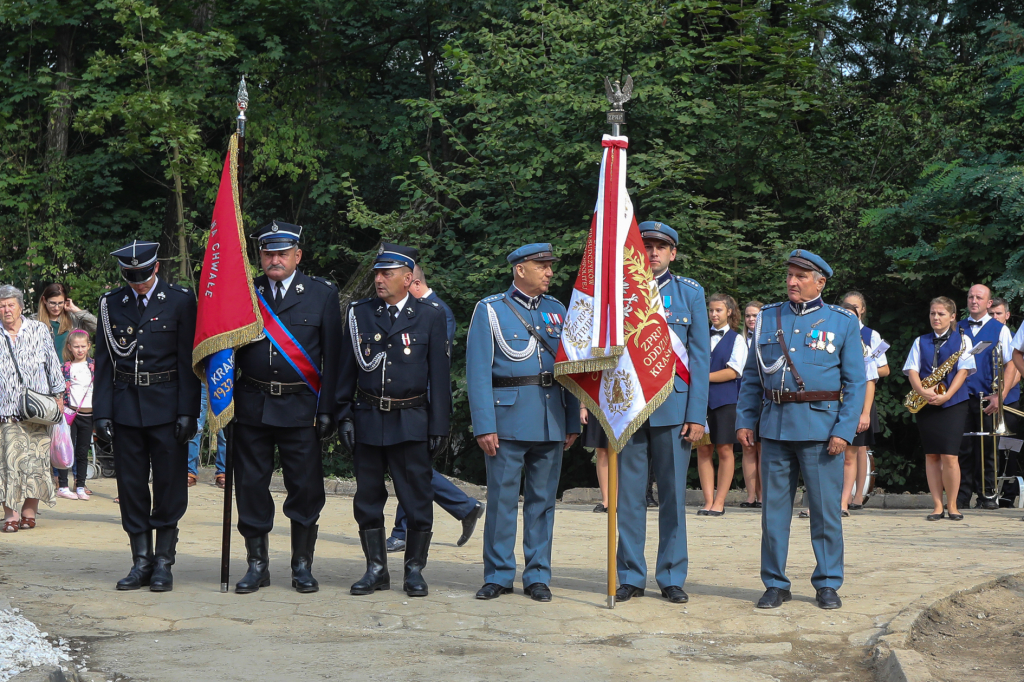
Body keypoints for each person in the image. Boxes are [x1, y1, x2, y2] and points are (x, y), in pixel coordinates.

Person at [737, 249, 866, 611]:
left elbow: (855, 382)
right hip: (775, 427)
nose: (792, 282)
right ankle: (775, 583)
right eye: (790, 275)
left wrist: (843, 430)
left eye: (801, 276)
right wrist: (746, 420)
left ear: (820, 282)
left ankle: (827, 582)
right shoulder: (769, 316)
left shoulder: (842, 321)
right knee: (773, 512)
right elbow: (751, 377)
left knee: (825, 512)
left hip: (822, 430)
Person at [466, 243, 580, 602]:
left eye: (549, 265)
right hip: (507, 419)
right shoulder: (491, 310)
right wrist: (484, 424)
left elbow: (570, 368)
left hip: (550, 419)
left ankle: (537, 576)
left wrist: (572, 419)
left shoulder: (557, 311)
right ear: (520, 269)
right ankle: (499, 574)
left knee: (543, 502)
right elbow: (478, 372)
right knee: (501, 500)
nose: (550, 272)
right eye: (542, 265)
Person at [232, 222, 341, 595]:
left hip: (300, 406)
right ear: (260, 256)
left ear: (297, 255)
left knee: (306, 488)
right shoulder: (245, 293)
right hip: (252, 405)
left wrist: (328, 410)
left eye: (281, 253)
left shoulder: (321, 294)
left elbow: (334, 358)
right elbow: (225, 353)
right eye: (267, 253)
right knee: (250, 487)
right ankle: (257, 564)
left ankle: (301, 565)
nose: (274, 260)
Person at [339, 243, 451, 597]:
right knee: (368, 499)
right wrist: (343, 414)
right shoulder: (360, 314)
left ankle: (414, 570)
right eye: (376, 273)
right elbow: (345, 370)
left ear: (407, 278)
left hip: (411, 419)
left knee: (417, 499)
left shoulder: (429, 316)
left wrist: (439, 426)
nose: (379, 279)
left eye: (387, 273)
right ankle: (376, 569)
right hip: (369, 417)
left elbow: (440, 377)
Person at [94, 241, 200, 591]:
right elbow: (106, 363)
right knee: (132, 485)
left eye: (142, 275)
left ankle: (164, 563)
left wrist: (189, 410)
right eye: (130, 276)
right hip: (125, 405)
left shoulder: (181, 300)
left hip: (168, 405)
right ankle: (141, 561)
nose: (137, 282)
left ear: (155, 268)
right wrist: (101, 413)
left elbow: (189, 360)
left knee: (170, 485)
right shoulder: (111, 304)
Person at [614, 222, 709, 605]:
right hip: (629, 406)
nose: (652, 253)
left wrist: (697, 414)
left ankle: (671, 575)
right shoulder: (617, 292)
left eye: (661, 247)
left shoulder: (690, 293)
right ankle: (631, 576)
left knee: (672, 496)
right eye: (646, 246)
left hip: (675, 406)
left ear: (673, 253)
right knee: (630, 498)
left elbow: (700, 357)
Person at [385, 264, 483, 554]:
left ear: (412, 283)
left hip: (423, 404)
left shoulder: (436, 311)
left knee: (411, 466)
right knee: (409, 466)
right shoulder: (417, 309)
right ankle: (462, 508)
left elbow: (432, 365)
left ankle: (408, 529)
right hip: (406, 405)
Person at [0, 285, 65, 532]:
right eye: (2, 306)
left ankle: (29, 513)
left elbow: (52, 364)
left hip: (38, 409)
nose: (6, 310)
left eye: (10, 305)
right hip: (6, 411)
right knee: (9, 465)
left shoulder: (38, 329)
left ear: (20, 306)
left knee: (35, 464)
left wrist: (59, 395)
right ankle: (11, 516)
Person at [904, 297, 975, 521]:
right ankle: (937, 505)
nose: (936, 317)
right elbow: (912, 370)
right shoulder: (920, 341)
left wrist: (947, 395)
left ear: (953, 317)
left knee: (950, 455)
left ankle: (952, 505)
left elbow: (963, 372)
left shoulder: (964, 341)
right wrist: (922, 392)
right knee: (932, 454)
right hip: (926, 402)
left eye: (941, 314)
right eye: (933, 313)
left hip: (953, 403)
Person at [956, 284, 1016, 510]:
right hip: (961, 397)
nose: (974, 301)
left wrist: (999, 396)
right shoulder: (957, 327)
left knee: (988, 449)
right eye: (970, 296)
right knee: (962, 448)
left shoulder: (1000, 329)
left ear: (989, 303)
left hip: (988, 398)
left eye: (979, 298)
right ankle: (960, 496)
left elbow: (1011, 364)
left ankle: (988, 495)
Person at [696, 293, 746, 516]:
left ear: (729, 312)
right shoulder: (699, 336)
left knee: (725, 449)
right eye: (711, 310)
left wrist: (701, 377)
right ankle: (708, 500)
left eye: (718, 310)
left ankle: (720, 501)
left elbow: (734, 371)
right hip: (699, 401)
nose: (714, 314)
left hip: (725, 401)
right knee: (703, 449)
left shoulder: (737, 339)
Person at [839, 292, 889, 513]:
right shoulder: (832, 334)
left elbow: (883, 369)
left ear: (863, 310)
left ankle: (856, 496)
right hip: (836, 399)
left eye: (856, 307)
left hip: (860, 398)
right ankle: (835, 499)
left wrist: (861, 370)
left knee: (857, 449)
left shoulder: (870, 336)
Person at [57, 330, 95, 501]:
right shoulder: (66, 367)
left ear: (88, 346)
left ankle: (80, 485)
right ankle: (63, 485)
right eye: (76, 347)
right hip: (70, 414)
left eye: (83, 346)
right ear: (70, 348)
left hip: (89, 415)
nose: (80, 350)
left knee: (82, 451)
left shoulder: (94, 366)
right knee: (67, 450)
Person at [31, 283, 97, 359]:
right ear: (44, 300)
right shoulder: (33, 321)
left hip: (71, 369)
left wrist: (76, 310)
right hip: (45, 369)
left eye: (60, 303)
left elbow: (98, 326)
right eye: (52, 303)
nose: (56, 307)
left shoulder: (73, 318)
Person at [740, 300, 763, 508]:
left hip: (763, 398)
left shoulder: (766, 338)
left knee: (762, 448)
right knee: (748, 447)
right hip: (742, 396)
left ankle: (763, 495)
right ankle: (750, 495)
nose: (751, 319)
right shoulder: (739, 340)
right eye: (748, 316)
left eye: (755, 315)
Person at [187, 383, 226, 488]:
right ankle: (190, 471)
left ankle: (223, 472)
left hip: (222, 380)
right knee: (195, 429)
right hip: (200, 379)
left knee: (223, 430)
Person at [580, 407, 610, 513]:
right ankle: (606, 500)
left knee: (619, 451)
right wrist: (583, 407)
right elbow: (587, 389)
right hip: (597, 401)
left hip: (625, 402)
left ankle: (617, 499)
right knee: (601, 449)